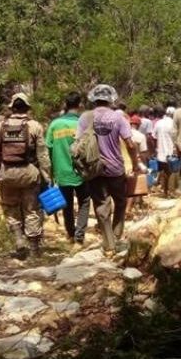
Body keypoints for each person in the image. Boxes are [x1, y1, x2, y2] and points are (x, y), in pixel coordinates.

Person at [77, 84, 144, 252]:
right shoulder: (118, 118)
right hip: (115, 168)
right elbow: (130, 144)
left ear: (94, 99)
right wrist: (135, 164)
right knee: (121, 201)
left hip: (94, 169)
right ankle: (116, 234)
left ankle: (108, 243)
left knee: (101, 205)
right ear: (111, 99)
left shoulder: (85, 118)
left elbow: (78, 143)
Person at [0, 93, 52, 260]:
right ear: (27, 109)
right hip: (30, 175)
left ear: (12, 108)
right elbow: (43, 155)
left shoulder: (1, 126)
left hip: (7, 175)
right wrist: (47, 175)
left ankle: (18, 240)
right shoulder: (35, 126)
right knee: (32, 210)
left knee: (10, 208)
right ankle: (34, 249)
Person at [45, 91, 91, 246]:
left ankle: (71, 234)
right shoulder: (83, 124)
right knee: (84, 201)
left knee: (67, 204)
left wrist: (50, 174)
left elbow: (48, 149)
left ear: (66, 104)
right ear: (80, 105)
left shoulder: (55, 125)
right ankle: (79, 236)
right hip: (82, 173)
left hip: (62, 172)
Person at [153, 106, 177, 197]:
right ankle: (171, 191)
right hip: (171, 152)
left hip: (160, 152)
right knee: (172, 172)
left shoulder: (158, 123)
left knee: (163, 171)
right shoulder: (173, 124)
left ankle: (164, 191)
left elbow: (153, 136)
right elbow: (176, 138)